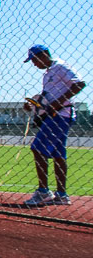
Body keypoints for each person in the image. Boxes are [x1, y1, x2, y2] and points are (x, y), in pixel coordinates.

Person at [22, 45, 85, 207]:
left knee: (37, 148)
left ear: (43, 55)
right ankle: (62, 195)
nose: (34, 64)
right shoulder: (48, 73)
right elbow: (47, 99)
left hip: (60, 115)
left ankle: (43, 191)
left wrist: (58, 103)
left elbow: (79, 83)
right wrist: (34, 106)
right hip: (55, 115)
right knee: (58, 154)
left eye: (35, 60)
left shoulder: (60, 66)